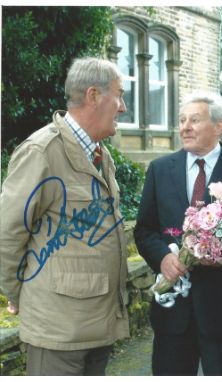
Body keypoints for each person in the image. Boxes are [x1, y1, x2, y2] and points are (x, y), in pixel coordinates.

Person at [0, 57, 129, 376]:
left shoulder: (102, 154)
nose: (123, 107)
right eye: (119, 95)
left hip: (96, 327)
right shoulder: (42, 152)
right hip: (58, 334)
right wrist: (21, 294)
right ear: (94, 96)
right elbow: (6, 234)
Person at [134, 92, 222, 376]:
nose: (185, 127)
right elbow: (145, 229)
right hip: (174, 316)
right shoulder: (159, 169)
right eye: (182, 120)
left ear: (219, 126)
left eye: (194, 120)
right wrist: (162, 260)